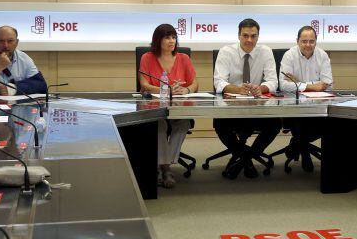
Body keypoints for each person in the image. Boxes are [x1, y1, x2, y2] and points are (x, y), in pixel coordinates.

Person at [213, 18, 281, 179]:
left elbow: (273, 81)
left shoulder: (266, 51)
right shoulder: (226, 51)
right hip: (232, 108)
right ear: (238, 36)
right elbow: (219, 82)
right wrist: (237, 89)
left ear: (258, 36)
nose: (249, 40)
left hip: (258, 107)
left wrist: (261, 88)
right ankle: (247, 160)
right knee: (220, 123)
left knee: (276, 123)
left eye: (253, 36)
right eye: (245, 36)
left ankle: (244, 159)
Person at [139, 23, 199, 188]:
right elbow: (143, 84)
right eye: (167, 37)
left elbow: (195, 83)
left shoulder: (183, 58)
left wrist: (186, 89)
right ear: (158, 40)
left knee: (184, 123)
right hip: (155, 107)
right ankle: (166, 169)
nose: (171, 41)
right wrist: (164, 89)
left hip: (179, 107)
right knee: (160, 124)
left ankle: (163, 166)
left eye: (173, 37)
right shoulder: (147, 58)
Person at [279, 26, 333, 172]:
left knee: (331, 123)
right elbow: (283, 85)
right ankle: (304, 152)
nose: (308, 45)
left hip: (318, 104)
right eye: (304, 41)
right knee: (299, 121)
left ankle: (296, 144)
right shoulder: (289, 55)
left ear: (316, 42)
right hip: (294, 105)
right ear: (297, 41)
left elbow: (327, 83)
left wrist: (299, 84)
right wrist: (314, 86)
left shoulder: (322, 55)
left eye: (312, 41)